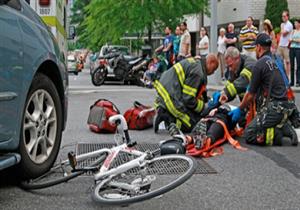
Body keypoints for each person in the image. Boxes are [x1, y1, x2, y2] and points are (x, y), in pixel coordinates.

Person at [229, 33, 298, 146]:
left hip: (275, 108)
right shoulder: (277, 60)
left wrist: (240, 109)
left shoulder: (259, 64)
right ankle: (283, 125)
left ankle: (279, 133)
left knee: (250, 134)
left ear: (259, 47)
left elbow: (250, 95)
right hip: (289, 106)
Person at [153, 54, 219, 133]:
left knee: (190, 115)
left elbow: (192, 92)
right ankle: (168, 118)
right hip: (171, 94)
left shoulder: (197, 64)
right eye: (214, 69)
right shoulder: (198, 73)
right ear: (210, 62)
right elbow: (188, 99)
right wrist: (204, 107)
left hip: (167, 88)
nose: (213, 72)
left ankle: (163, 109)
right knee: (190, 124)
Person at [278, 10, 293, 79]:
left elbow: (283, 33)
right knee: (280, 61)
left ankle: (287, 76)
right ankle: (281, 75)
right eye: (282, 16)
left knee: (287, 61)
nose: (283, 18)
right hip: (281, 45)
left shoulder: (289, 24)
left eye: (284, 16)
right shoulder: (283, 24)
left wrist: (282, 27)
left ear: (287, 17)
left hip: (286, 46)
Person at [289, 18, 300, 87]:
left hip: (298, 49)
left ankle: (298, 81)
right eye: (294, 23)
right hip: (292, 48)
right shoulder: (293, 31)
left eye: (296, 23)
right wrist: (295, 40)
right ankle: (292, 82)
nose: (295, 24)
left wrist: (294, 40)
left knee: (298, 65)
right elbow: (290, 40)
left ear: (299, 24)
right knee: (292, 65)